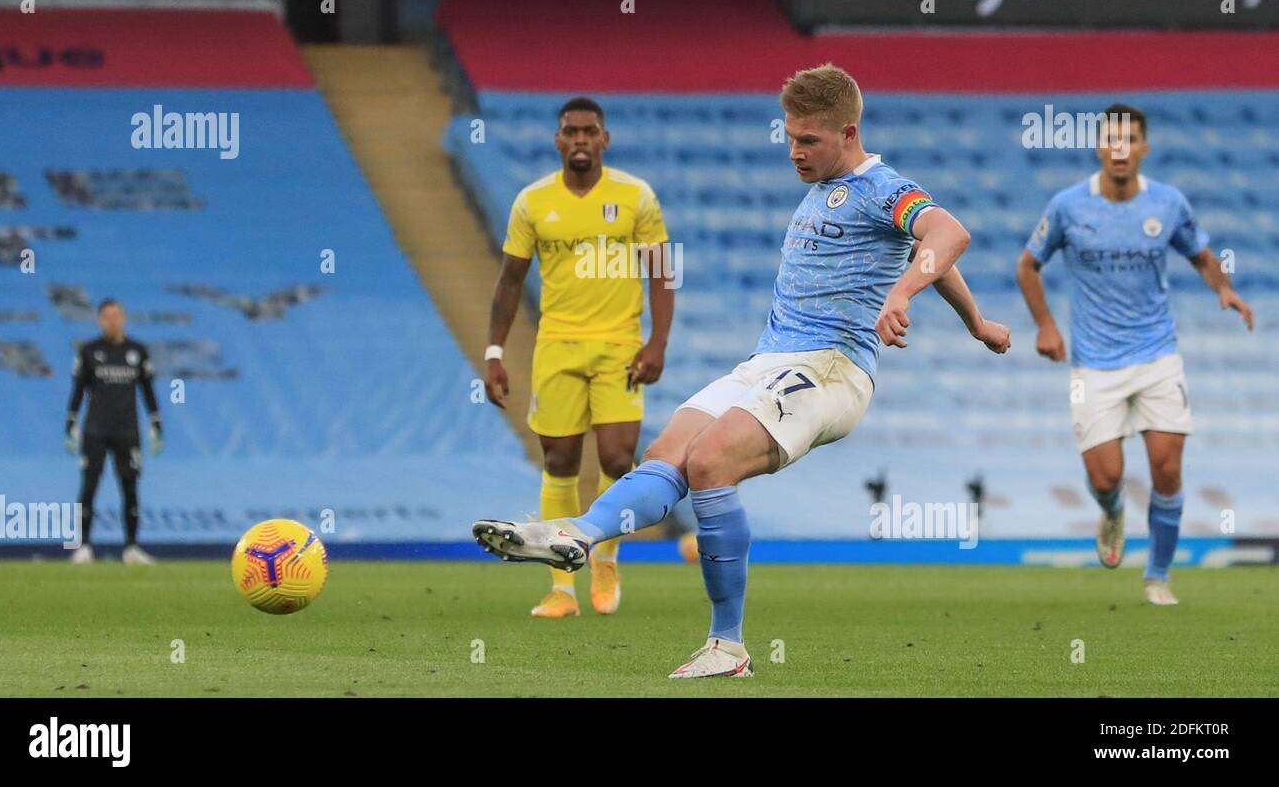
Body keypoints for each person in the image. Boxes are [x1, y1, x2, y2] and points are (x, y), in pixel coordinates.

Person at [473, 65, 1010, 676]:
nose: (794, 152)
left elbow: (946, 233)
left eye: (809, 140)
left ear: (849, 132)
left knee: (709, 464)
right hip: (767, 360)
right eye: (789, 137)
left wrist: (902, 295)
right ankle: (577, 533)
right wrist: (978, 323)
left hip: (832, 366)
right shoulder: (821, 189)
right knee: (669, 451)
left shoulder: (882, 188)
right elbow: (926, 252)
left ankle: (727, 647)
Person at [1017, 104, 1253, 605]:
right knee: (1107, 477)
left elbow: (1202, 254)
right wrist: (1045, 326)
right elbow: (1027, 266)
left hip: (1157, 356)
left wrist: (1224, 290)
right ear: (1100, 146)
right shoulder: (1068, 206)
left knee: (1167, 469)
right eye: (1112, 140)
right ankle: (1112, 509)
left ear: (1144, 148)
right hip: (1093, 364)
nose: (1121, 149)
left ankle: (1158, 576)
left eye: (1131, 140)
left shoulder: (1167, 204)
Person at [484, 97, 674, 617]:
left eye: (590, 130)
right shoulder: (532, 202)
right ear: (559, 141)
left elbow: (660, 272)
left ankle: (606, 558)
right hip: (558, 345)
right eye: (571, 131)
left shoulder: (636, 196)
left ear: (604, 139)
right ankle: (561, 588)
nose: (581, 139)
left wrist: (656, 342)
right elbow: (508, 283)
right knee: (559, 460)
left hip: (619, 345)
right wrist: (495, 352)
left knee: (616, 458)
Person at [65, 299, 163, 564]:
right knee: (89, 485)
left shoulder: (137, 351)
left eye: (116, 316)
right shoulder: (88, 351)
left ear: (123, 318)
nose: (112, 321)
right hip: (95, 430)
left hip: (127, 430)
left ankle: (131, 547)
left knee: (130, 486)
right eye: (107, 316)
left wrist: (156, 422)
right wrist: (71, 421)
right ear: (99, 320)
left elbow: (148, 390)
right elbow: (78, 390)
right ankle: (83, 546)